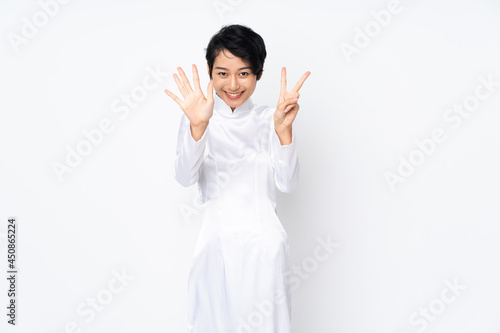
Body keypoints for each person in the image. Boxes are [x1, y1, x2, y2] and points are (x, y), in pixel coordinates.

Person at [165, 24, 310, 333]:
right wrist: (197, 129)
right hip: (214, 247)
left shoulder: (271, 118)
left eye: (243, 73)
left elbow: (287, 183)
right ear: (209, 71)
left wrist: (284, 131)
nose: (232, 84)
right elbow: (184, 176)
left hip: (263, 250)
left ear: (258, 73)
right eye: (222, 73)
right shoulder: (198, 116)